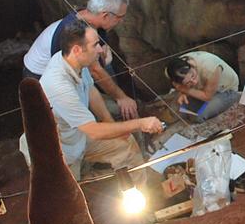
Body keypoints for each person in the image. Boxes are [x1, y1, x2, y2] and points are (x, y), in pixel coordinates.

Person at [19, 21, 164, 185]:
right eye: (95, 45)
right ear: (76, 50)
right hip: (55, 153)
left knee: (125, 145)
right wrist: (140, 123)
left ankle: (139, 195)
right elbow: (93, 131)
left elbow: (91, 91)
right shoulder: (58, 84)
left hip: (76, 136)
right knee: (71, 199)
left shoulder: (76, 62)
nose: (101, 49)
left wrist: (110, 123)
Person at [22, 0, 139, 119]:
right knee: (61, 118)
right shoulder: (75, 33)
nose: (121, 21)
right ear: (105, 15)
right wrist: (121, 98)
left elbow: (94, 71)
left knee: (103, 75)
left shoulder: (91, 18)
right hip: (37, 75)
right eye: (120, 17)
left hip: (71, 69)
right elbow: (95, 71)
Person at [165, 51, 241, 120]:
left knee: (197, 116)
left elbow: (207, 96)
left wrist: (185, 89)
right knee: (176, 110)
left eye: (193, 76)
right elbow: (175, 84)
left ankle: (237, 97)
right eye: (188, 82)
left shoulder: (210, 68)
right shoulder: (171, 71)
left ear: (192, 65)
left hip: (225, 90)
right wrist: (182, 93)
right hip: (202, 88)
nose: (194, 82)